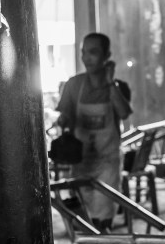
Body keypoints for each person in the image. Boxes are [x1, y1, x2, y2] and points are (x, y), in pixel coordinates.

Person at [56, 32, 132, 230]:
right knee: (82, 219)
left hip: (108, 162)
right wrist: (63, 120)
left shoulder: (119, 87)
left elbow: (124, 112)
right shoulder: (74, 84)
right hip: (81, 161)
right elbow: (65, 115)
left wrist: (110, 82)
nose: (86, 58)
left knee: (103, 218)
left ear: (107, 56)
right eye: (83, 52)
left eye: (93, 52)